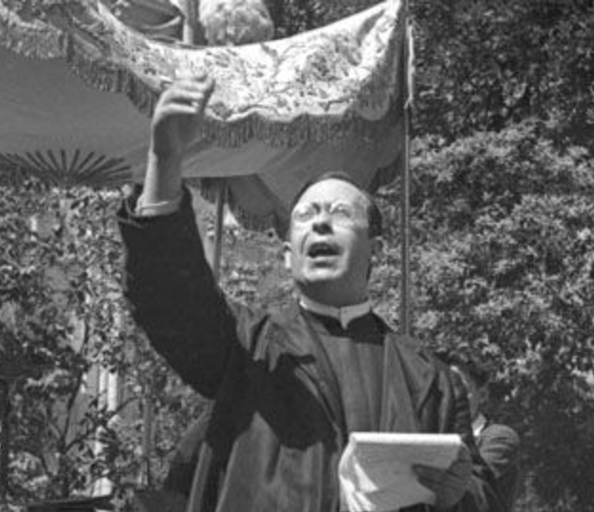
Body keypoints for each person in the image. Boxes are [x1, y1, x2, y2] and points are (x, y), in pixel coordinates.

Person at [118, 72, 503, 511]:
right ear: (286, 255)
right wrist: (164, 158)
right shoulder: (247, 349)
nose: (320, 222)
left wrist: (459, 495)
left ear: (373, 250)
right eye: (305, 215)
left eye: (340, 213)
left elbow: (482, 494)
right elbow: (169, 296)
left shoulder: (429, 379)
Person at [446, 354, 521, 512]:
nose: (450, 396)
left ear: (482, 395)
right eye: (444, 388)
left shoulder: (499, 438)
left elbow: (474, 495)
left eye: (459, 388)